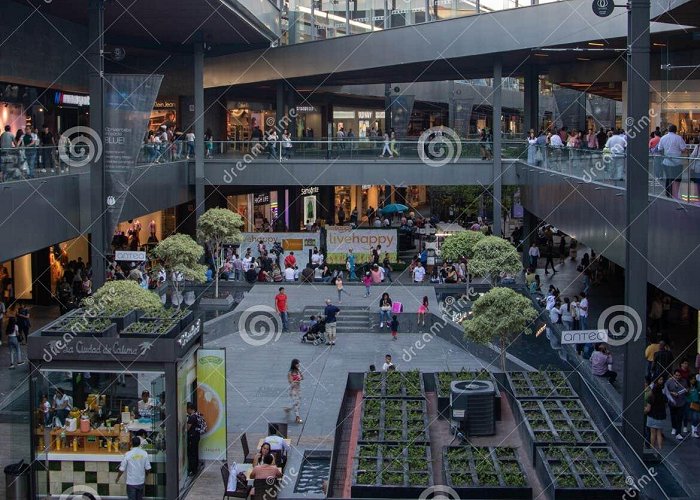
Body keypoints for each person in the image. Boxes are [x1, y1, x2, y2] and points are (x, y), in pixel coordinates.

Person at [657, 124, 687, 198]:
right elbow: (683, 149)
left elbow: (659, 149)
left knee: (668, 177)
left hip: (666, 161)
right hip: (677, 161)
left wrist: (664, 155)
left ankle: (668, 193)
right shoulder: (679, 138)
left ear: (668, 130)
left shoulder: (663, 138)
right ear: (676, 130)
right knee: (677, 178)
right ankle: (675, 193)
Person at [665, 369, 688, 440]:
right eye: (676, 375)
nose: (677, 377)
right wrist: (672, 393)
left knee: (680, 418)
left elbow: (686, 389)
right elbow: (665, 391)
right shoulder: (669, 382)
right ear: (673, 375)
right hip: (672, 403)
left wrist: (687, 390)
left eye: (679, 375)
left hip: (681, 403)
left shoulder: (684, 381)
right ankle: (674, 427)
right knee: (673, 416)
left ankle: (678, 433)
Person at [646, 375, 667, 451]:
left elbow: (648, 409)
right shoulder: (664, 396)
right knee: (659, 433)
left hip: (652, 416)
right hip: (661, 416)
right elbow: (666, 405)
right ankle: (660, 449)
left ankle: (652, 448)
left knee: (652, 433)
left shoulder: (651, 397)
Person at [185, 402, 202, 476]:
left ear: (190, 409)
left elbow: (187, 428)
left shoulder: (192, 417)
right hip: (196, 436)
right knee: (195, 452)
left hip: (192, 437)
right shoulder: (196, 415)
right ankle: (195, 468)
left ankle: (192, 469)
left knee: (192, 453)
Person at [286, 358, 304, 424]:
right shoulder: (290, 373)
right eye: (297, 364)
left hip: (298, 389)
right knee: (296, 403)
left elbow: (303, 378)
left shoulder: (298, 371)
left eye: (299, 363)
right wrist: (296, 380)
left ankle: (288, 408)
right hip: (293, 390)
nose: (299, 365)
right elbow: (291, 382)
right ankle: (297, 417)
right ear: (294, 364)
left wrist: (300, 374)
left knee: (298, 403)